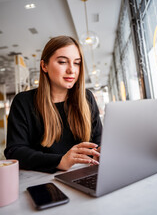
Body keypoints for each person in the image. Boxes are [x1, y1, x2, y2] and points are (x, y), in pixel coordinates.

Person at [4, 36, 102, 173]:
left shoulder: (87, 97)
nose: (72, 70)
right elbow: (15, 151)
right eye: (62, 62)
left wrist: (102, 149)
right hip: (44, 179)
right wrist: (59, 161)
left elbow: (98, 139)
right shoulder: (23, 102)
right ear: (44, 66)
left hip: (86, 172)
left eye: (77, 63)